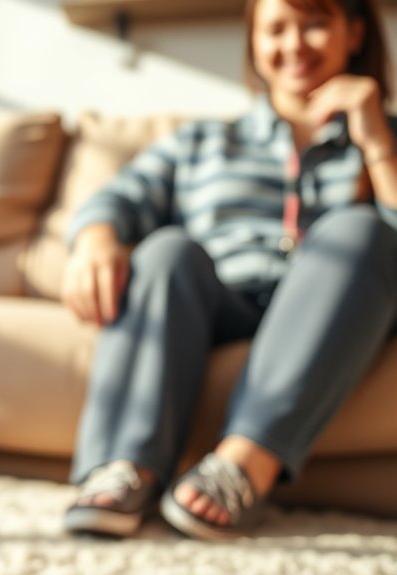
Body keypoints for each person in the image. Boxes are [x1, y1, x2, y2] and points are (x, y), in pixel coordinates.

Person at [60, 0, 397, 540]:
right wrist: (96, 240)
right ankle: (125, 465)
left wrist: (377, 140)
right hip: (220, 302)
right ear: (254, 44)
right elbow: (116, 200)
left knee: (360, 231)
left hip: (332, 315)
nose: (293, 45)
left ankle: (244, 463)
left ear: (355, 32)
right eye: (276, 29)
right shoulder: (203, 142)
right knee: (166, 250)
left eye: (314, 24)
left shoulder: (388, 141)